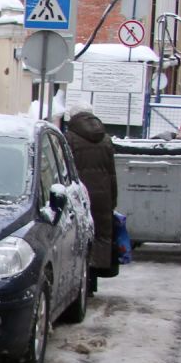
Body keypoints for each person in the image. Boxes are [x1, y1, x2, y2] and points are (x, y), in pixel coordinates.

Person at [62, 108, 119, 284]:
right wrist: (113, 198)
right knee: (99, 235)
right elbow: (112, 174)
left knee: (80, 235)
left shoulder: (69, 138)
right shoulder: (106, 139)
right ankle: (92, 281)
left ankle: (81, 283)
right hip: (103, 195)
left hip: (79, 195)